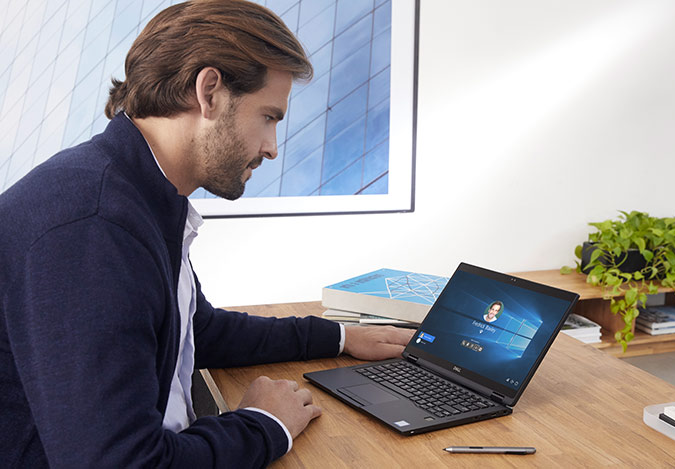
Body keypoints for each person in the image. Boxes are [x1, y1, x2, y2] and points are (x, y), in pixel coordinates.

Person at [0, 1, 412, 467]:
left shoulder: (138, 194)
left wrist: (338, 336)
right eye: (269, 117)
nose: (272, 149)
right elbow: (121, 463)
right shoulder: (93, 228)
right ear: (209, 92)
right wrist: (263, 424)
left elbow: (196, 329)